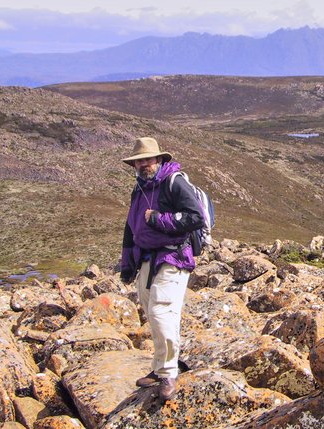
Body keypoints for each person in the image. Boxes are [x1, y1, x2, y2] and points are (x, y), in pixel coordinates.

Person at [119, 137, 203, 401]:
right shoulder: (139, 188)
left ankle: (168, 373)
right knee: (150, 309)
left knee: (160, 310)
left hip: (173, 256)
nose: (143, 165)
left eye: (147, 159)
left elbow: (195, 217)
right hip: (147, 258)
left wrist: (158, 219)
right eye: (138, 161)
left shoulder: (173, 182)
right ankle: (159, 367)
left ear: (159, 159)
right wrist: (127, 263)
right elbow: (131, 227)